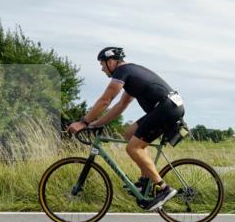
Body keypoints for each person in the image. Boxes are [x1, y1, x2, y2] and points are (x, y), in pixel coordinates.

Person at [67, 47, 183, 211]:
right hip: (166, 107)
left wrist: (84, 122)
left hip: (166, 108)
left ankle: (164, 189)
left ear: (112, 61)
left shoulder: (122, 72)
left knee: (132, 148)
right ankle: (145, 181)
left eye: (102, 64)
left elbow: (106, 100)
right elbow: (121, 106)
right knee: (129, 134)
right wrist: (97, 123)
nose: (101, 68)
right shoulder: (131, 76)